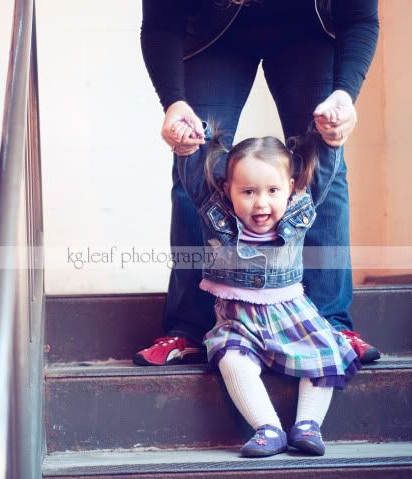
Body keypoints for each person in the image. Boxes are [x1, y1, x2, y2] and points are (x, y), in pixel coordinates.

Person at [134, 0, 381, 367]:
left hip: (308, 31)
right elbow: (161, 25)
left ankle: (331, 322)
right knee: (192, 153)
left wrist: (345, 93)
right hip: (213, 37)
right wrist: (173, 102)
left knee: (325, 155)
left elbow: (360, 18)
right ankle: (187, 328)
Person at [178, 122, 360, 456]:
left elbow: (325, 174)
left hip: (291, 312)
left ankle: (308, 425)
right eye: (248, 192)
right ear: (227, 189)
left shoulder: (299, 209)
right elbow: (192, 179)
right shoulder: (216, 213)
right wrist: (188, 148)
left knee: (325, 354)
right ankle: (268, 428)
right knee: (230, 359)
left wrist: (331, 142)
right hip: (237, 320)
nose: (261, 203)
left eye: (272, 191)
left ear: (290, 188)